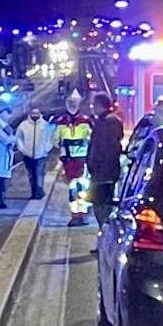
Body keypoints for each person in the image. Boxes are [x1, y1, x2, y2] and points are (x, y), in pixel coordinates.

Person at [53, 90, 92, 227]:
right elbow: (55, 140)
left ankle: (83, 213)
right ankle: (76, 214)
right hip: (70, 161)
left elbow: (92, 139)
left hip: (83, 160)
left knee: (84, 187)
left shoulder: (86, 121)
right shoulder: (62, 122)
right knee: (73, 188)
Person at [86, 93, 123, 229]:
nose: (92, 108)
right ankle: (105, 236)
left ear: (99, 105)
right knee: (101, 205)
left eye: (93, 105)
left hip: (103, 173)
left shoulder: (106, 122)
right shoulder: (110, 120)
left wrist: (95, 166)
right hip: (106, 171)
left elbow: (104, 148)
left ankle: (105, 237)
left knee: (101, 207)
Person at [15, 107, 53, 200]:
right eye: (33, 113)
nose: (35, 115)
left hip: (41, 154)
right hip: (27, 154)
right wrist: (22, 149)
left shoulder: (45, 125)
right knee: (31, 174)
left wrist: (46, 149)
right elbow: (19, 138)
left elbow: (51, 138)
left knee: (39, 173)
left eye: (37, 113)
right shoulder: (23, 125)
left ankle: (39, 192)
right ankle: (34, 192)